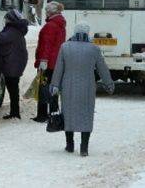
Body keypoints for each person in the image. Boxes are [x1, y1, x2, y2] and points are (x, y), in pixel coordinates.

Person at [49, 22, 115, 157]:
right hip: (87, 87)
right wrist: (109, 84)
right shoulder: (94, 48)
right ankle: (84, 148)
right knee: (86, 115)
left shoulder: (65, 47)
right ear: (87, 33)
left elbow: (59, 68)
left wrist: (55, 84)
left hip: (68, 86)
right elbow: (102, 68)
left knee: (68, 114)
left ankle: (69, 144)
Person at [0, 9, 28, 120]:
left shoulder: (12, 30)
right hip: (16, 63)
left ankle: (15, 113)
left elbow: (1, 39)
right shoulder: (16, 30)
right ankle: (14, 112)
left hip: (13, 64)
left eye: (7, 18)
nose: (5, 20)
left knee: (13, 90)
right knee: (13, 90)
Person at [33, 1, 66, 122]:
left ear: (50, 12)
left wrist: (43, 60)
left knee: (43, 88)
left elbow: (47, 45)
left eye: (47, 11)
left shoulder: (50, 26)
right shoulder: (60, 24)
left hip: (48, 63)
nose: (46, 13)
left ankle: (42, 115)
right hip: (56, 62)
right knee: (54, 87)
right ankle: (53, 112)